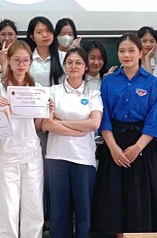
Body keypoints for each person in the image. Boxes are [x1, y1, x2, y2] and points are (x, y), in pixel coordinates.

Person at [92, 34, 157, 235]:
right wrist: (113, 148)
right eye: (122, 51)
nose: (126, 55)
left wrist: (138, 147)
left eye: (131, 51)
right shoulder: (108, 82)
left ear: (140, 53)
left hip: (142, 144)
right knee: (112, 200)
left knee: (139, 200)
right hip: (114, 143)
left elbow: (154, 119)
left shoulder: (152, 82)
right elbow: (104, 117)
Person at [42, 47, 103, 238]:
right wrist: (79, 129)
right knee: (59, 214)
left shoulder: (93, 93)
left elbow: (94, 124)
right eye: (69, 62)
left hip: (84, 158)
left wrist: (60, 122)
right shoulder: (52, 91)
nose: (73, 66)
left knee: (84, 213)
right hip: (56, 158)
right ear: (64, 66)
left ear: (85, 67)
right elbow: (46, 124)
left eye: (78, 63)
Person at [0, 41, 46, 238]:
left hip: (31, 153)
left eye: (25, 61)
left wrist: (47, 111)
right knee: (8, 207)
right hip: (6, 154)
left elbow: (38, 126)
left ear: (30, 62)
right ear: (9, 61)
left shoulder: (37, 89)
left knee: (34, 206)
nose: (21, 65)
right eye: (17, 60)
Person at [27, 16, 63, 87]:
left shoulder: (64, 56)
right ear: (32, 37)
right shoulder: (27, 58)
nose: (45, 35)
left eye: (48, 30)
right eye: (39, 32)